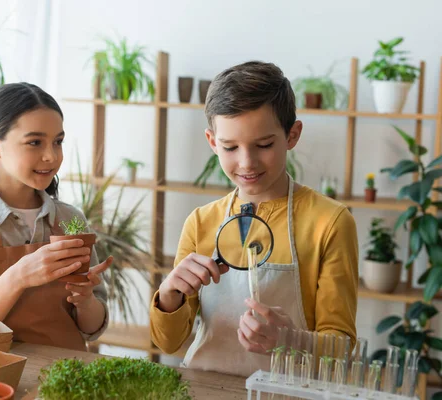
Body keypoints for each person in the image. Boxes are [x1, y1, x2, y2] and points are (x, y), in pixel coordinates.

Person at [149, 61, 358, 376]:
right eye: (230, 147)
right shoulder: (201, 222)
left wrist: (291, 340)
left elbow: (341, 346)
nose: (246, 163)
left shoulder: (330, 222)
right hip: (206, 389)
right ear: (211, 142)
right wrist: (169, 295)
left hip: (287, 394)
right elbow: (169, 342)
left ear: (292, 135)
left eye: (264, 145)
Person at [0, 83, 111, 351]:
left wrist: (85, 300)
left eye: (57, 142)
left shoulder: (70, 218)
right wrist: (19, 276)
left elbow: (91, 330)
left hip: (64, 378)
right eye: (34, 142)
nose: (51, 156)